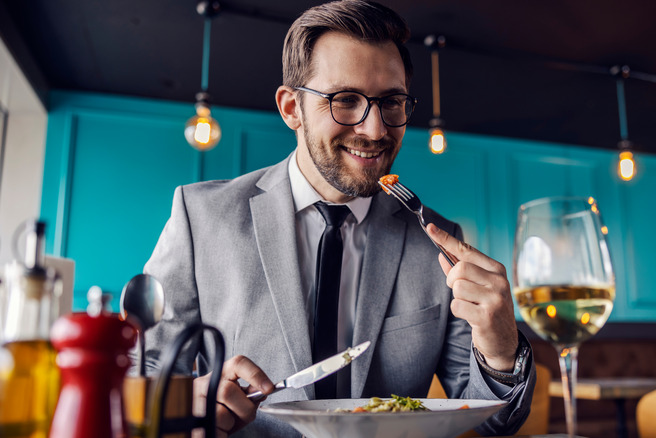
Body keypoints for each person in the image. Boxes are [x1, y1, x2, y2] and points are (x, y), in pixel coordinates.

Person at [141, 1, 536, 436]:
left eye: (391, 102)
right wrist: (189, 398)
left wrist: (501, 354)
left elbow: (491, 421)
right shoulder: (200, 217)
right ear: (292, 108)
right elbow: (144, 371)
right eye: (345, 100)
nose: (375, 130)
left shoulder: (439, 241)